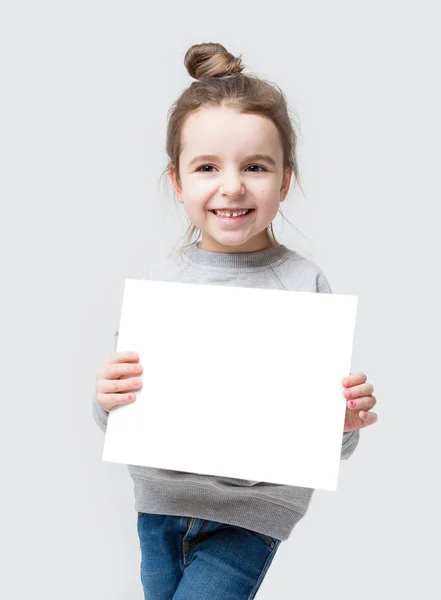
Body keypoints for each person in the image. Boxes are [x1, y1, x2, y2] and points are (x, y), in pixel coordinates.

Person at [92, 42, 379, 599]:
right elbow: (119, 417)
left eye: (255, 166)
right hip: (160, 505)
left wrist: (343, 423)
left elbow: (329, 442)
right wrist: (105, 399)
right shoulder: (160, 282)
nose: (232, 186)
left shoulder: (302, 284)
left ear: (284, 179)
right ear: (177, 181)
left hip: (252, 514)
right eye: (207, 167)